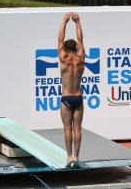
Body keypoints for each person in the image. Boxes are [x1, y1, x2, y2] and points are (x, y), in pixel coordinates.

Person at [58, 12, 85, 167]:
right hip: (78, 98)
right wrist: (77, 22)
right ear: (75, 48)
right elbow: (81, 39)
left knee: (68, 128)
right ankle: (77, 157)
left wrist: (64, 22)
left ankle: (68, 157)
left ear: (64, 49)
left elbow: (59, 39)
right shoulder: (81, 58)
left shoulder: (63, 59)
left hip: (67, 98)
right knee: (78, 129)